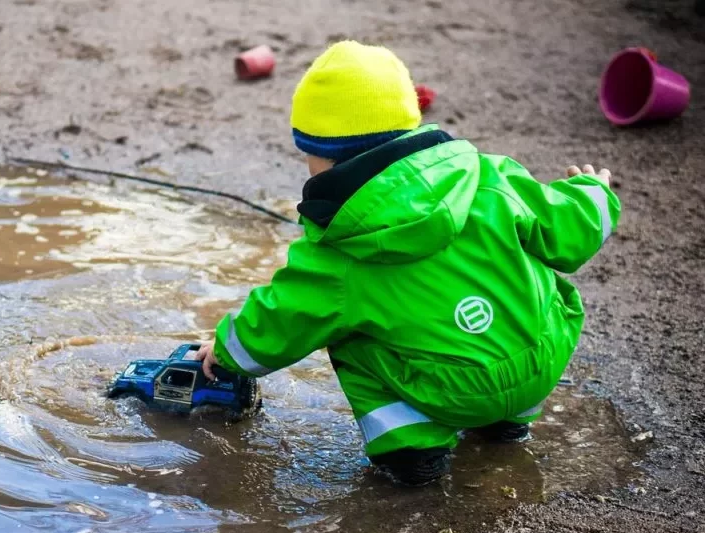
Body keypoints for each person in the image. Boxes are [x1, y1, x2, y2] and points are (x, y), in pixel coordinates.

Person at [195, 40, 621, 486]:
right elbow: (568, 229)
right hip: (540, 361)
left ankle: (412, 451)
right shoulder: (491, 176)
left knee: (343, 331)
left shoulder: (336, 250)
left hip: (449, 391)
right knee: (526, 281)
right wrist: (594, 192)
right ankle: (507, 424)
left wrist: (225, 354)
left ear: (318, 155)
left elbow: (281, 319)